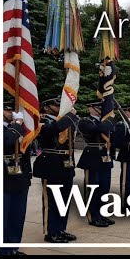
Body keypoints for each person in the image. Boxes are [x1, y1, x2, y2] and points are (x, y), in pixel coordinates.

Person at [0, 99, 31, 255]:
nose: (11, 113)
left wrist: (28, 176)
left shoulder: (19, 128)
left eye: (13, 110)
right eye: (7, 110)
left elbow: (25, 152)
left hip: (18, 177)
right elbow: (4, 141)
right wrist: (17, 124)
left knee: (16, 216)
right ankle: (0, 252)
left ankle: (12, 248)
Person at [33, 97, 79, 243]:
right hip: (50, 164)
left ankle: (60, 229)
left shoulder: (65, 120)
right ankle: (50, 232)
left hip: (65, 162)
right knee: (51, 200)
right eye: (55, 105)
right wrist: (70, 115)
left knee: (64, 199)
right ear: (46, 107)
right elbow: (54, 129)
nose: (59, 107)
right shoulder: (41, 120)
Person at [77, 101, 115, 227]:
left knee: (104, 187)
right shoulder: (85, 121)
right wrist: (109, 120)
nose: (100, 109)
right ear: (90, 108)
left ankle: (101, 213)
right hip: (92, 157)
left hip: (105, 156)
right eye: (97, 107)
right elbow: (97, 130)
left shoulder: (105, 121)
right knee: (92, 188)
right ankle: (92, 215)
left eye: (101, 107)